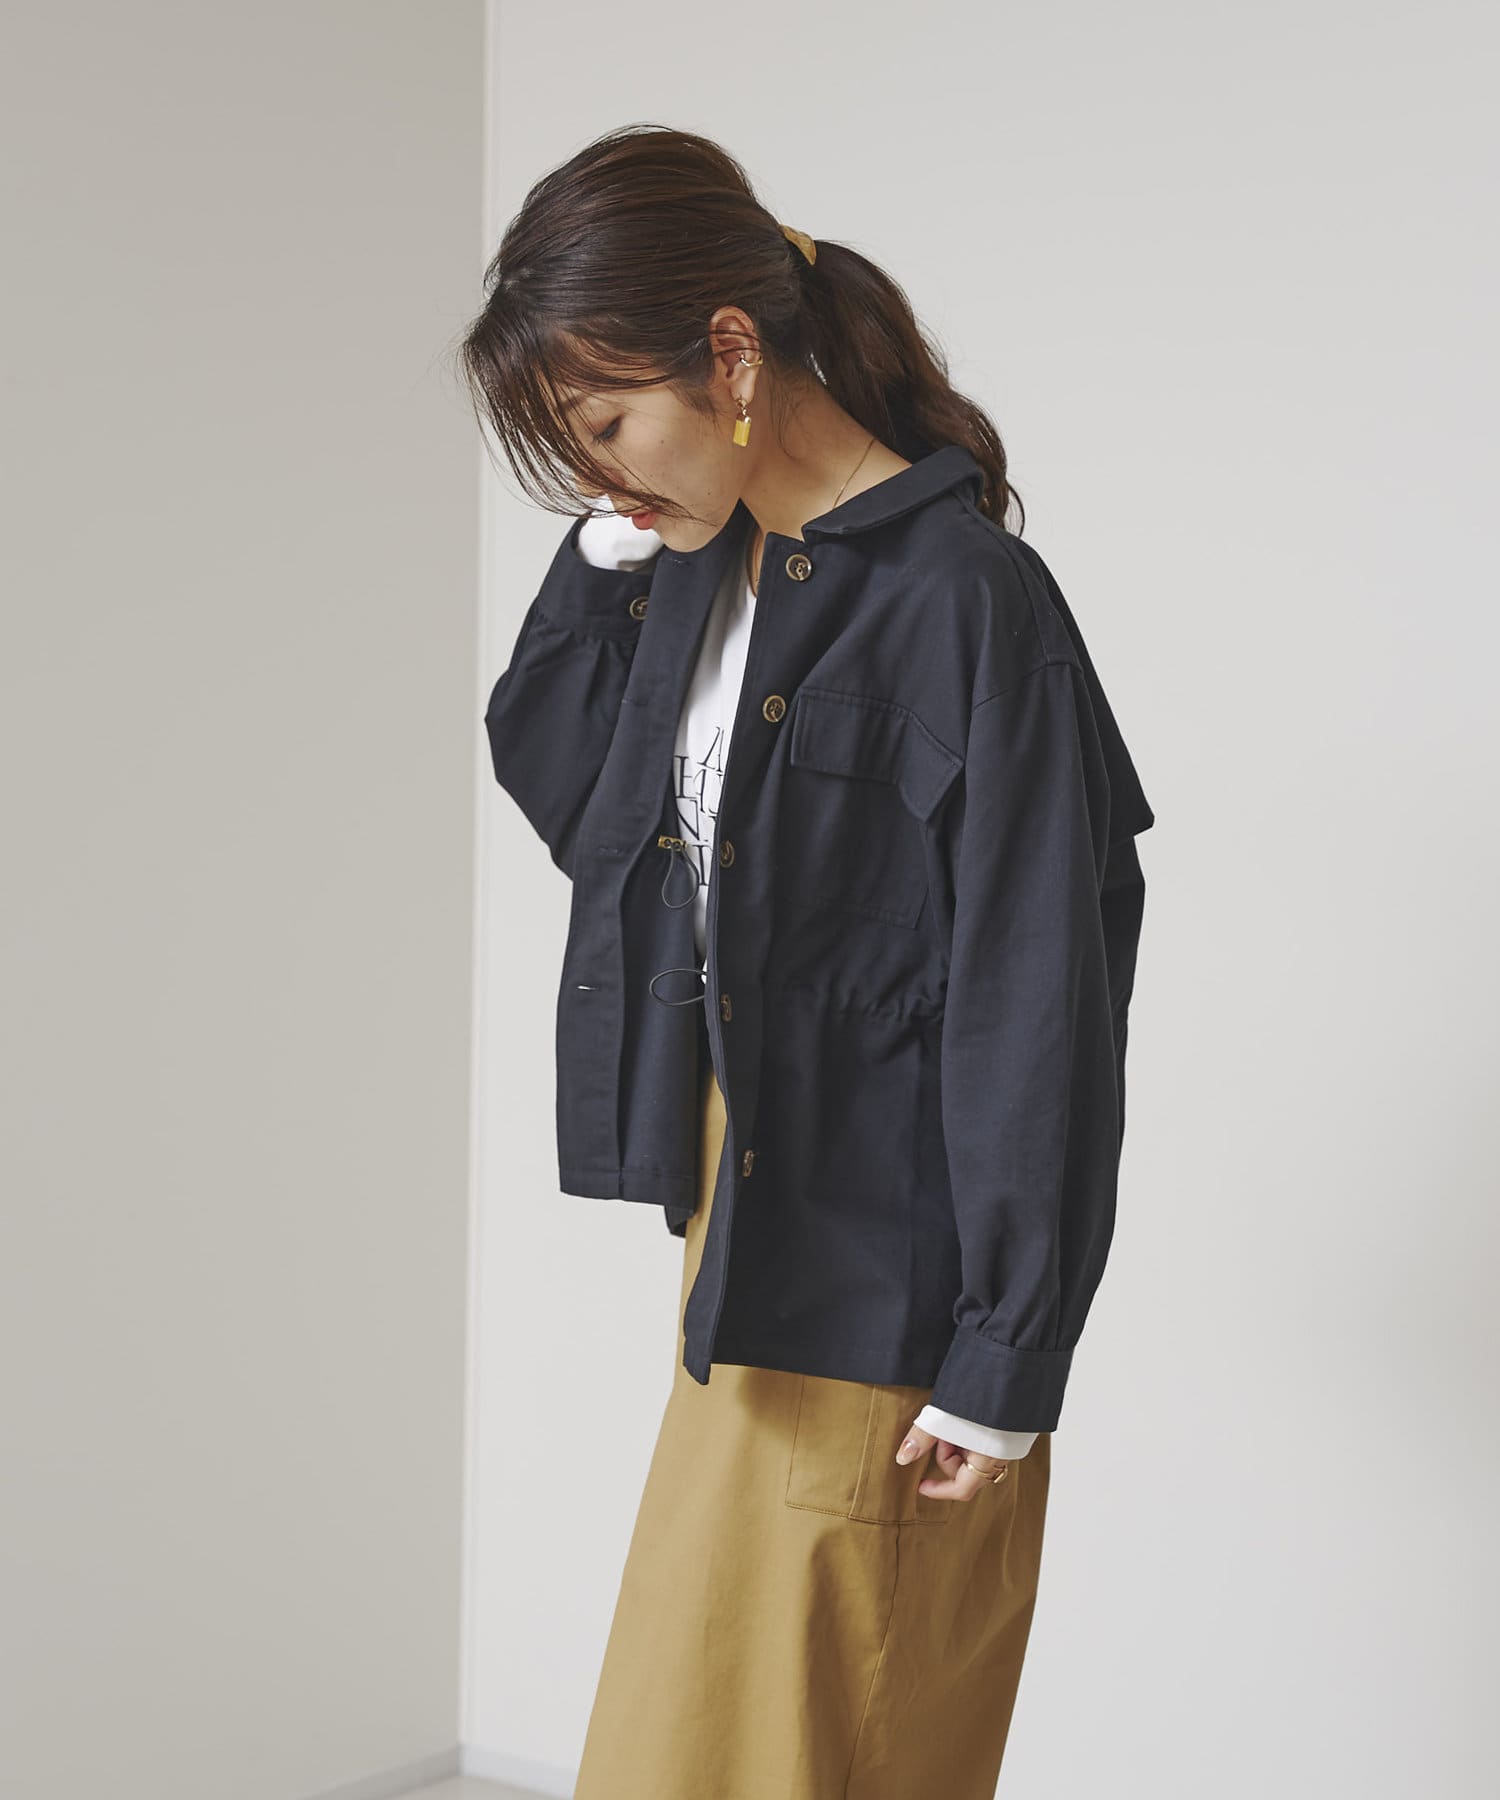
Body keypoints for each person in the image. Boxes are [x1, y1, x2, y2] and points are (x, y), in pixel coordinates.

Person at [462, 122, 1155, 1798]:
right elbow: (574, 793)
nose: (604, 480)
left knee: (787, 1753)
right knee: (709, 1742)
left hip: (887, 1290)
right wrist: (609, 557)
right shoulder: (703, 572)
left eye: (607, 428)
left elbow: (1041, 990)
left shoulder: (968, 601)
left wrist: (1006, 1352)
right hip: (746, 1257)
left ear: (730, 354)